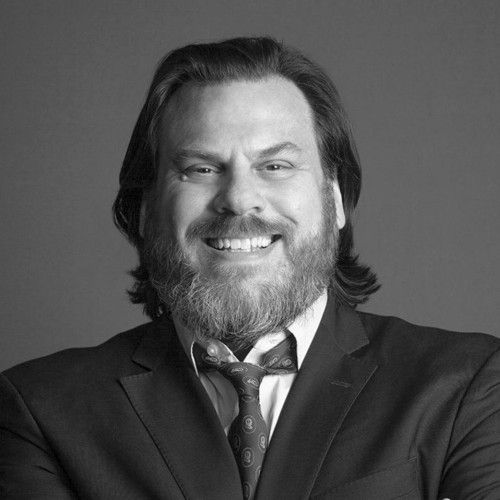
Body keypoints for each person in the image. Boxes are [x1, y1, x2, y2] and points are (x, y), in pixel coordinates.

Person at [1, 37, 499, 500]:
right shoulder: (39, 409)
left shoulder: (468, 385)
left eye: (275, 166)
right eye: (201, 169)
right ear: (147, 209)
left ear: (334, 197)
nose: (239, 198)